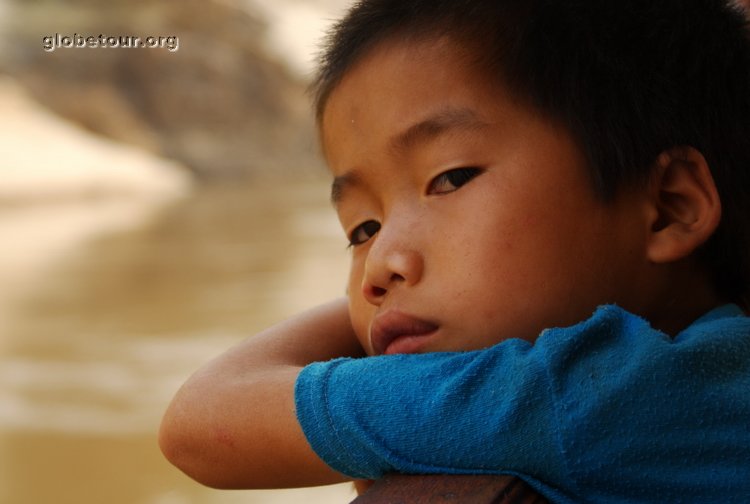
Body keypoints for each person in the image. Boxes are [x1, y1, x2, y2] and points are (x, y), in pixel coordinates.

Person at [159, 0, 750, 501]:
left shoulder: (593, 399)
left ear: (670, 207)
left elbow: (202, 424)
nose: (381, 264)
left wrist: (376, 319)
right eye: (362, 230)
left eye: (451, 177)